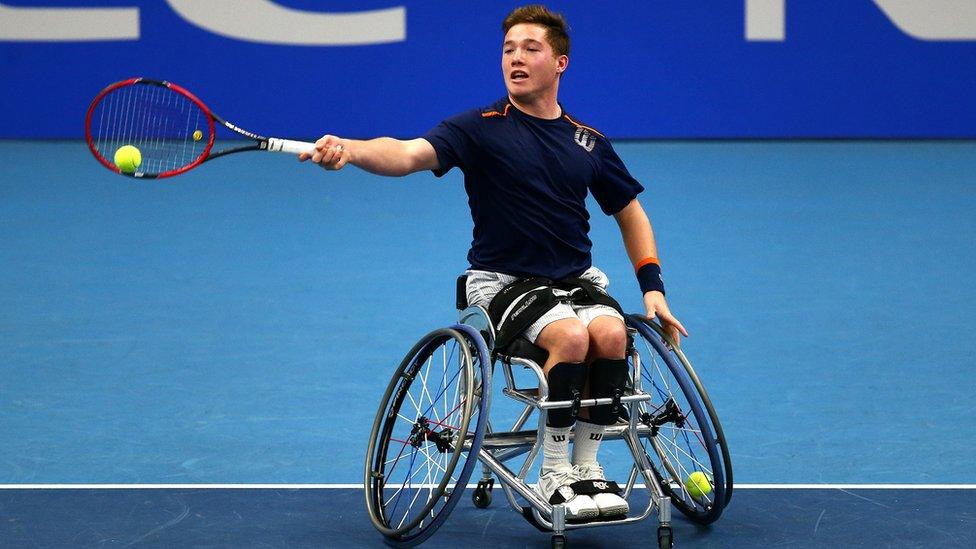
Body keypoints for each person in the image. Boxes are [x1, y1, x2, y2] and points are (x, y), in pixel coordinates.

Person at [300, 4, 687, 521]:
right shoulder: (479, 128)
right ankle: (553, 472)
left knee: (613, 337)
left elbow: (630, 211)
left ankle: (587, 468)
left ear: (561, 63)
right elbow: (407, 154)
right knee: (572, 338)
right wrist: (349, 148)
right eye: (508, 50)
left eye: (531, 49)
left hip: (575, 283)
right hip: (505, 283)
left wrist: (652, 286)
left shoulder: (587, 140)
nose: (516, 59)